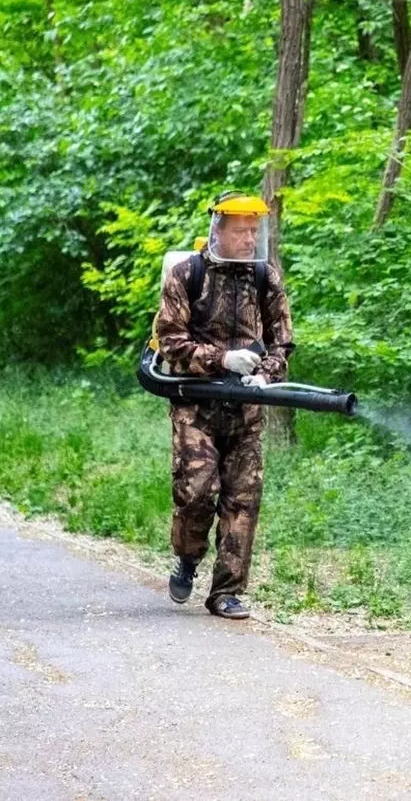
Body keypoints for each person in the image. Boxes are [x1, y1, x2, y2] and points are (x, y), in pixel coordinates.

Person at [153, 191, 293, 619]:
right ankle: (188, 558)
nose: (249, 239)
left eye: (255, 230)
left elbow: (283, 340)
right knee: (196, 493)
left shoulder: (264, 277)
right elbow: (170, 341)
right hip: (196, 406)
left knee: (243, 498)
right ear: (219, 230)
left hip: (247, 410)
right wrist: (221, 360)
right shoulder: (186, 274)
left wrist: (266, 374)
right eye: (241, 231)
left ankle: (227, 592)